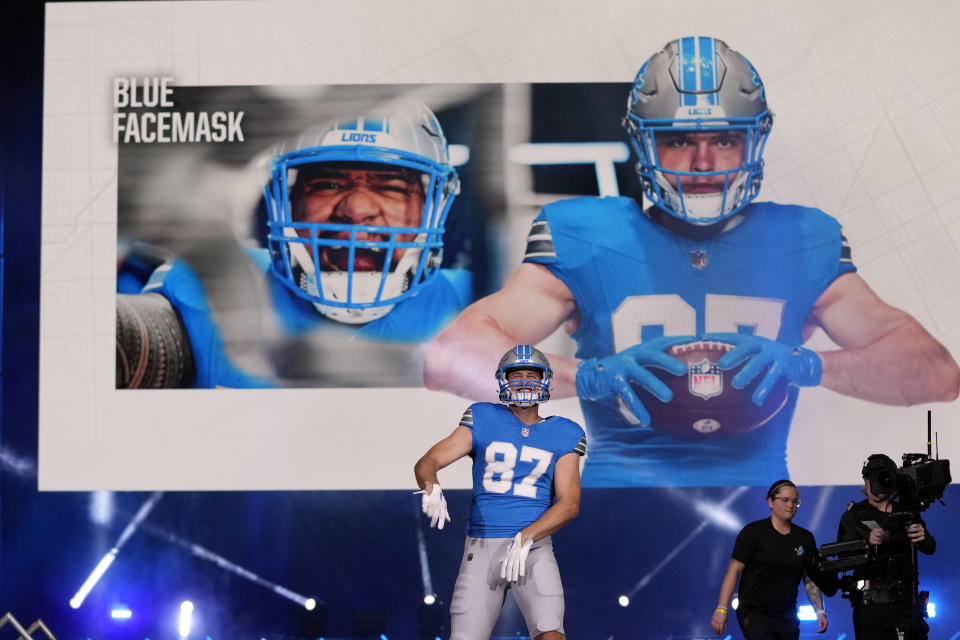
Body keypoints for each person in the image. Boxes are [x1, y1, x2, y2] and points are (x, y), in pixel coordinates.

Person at [423, 36, 959, 487]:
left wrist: (808, 366)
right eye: (679, 141)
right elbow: (449, 358)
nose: (704, 163)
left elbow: (936, 374)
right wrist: (587, 376)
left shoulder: (800, 237)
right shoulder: (587, 232)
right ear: (643, 145)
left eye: (724, 140)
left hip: (760, 509)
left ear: (754, 141)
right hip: (618, 511)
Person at [116, 100, 471, 388]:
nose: (357, 208)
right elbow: (125, 341)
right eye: (328, 184)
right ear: (286, 197)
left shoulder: (480, 309)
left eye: (391, 187)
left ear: (433, 206)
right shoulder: (211, 287)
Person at [414, 345, 586, 640]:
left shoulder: (566, 432)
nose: (522, 381)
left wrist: (525, 536)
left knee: (551, 634)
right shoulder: (482, 417)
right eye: (515, 374)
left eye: (530, 374)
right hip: (481, 548)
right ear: (503, 381)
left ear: (544, 380)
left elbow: (569, 503)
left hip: (533, 548)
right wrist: (431, 486)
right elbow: (428, 462)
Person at [836, 453, 936, 639]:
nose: (881, 482)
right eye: (876, 477)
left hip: (907, 604)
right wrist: (866, 543)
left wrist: (922, 537)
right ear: (866, 480)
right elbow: (842, 557)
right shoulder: (854, 516)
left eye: (886, 476)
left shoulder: (906, 511)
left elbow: (930, 547)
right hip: (871, 609)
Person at [711, 480, 827, 639]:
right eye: (785, 500)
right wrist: (721, 609)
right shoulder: (753, 532)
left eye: (795, 501)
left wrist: (820, 611)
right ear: (771, 501)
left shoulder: (805, 538)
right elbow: (734, 570)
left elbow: (810, 579)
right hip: (755, 613)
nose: (791, 505)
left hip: (787, 616)